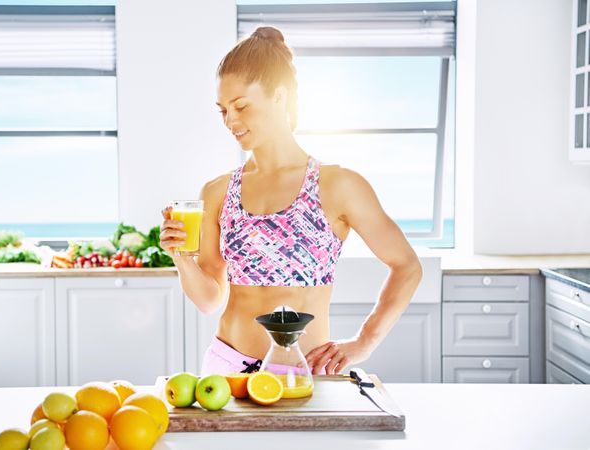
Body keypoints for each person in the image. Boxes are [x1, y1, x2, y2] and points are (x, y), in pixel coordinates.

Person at [160, 26, 422, 376]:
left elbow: (407, 266)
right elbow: (209, 300)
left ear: (280, 97)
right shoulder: (217, 192)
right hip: (226, 368)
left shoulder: (338, 185)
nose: (230, 121)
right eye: (223, 110)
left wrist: (364, 342)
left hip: (305, 372)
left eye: (241, 106)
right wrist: (181, 258)